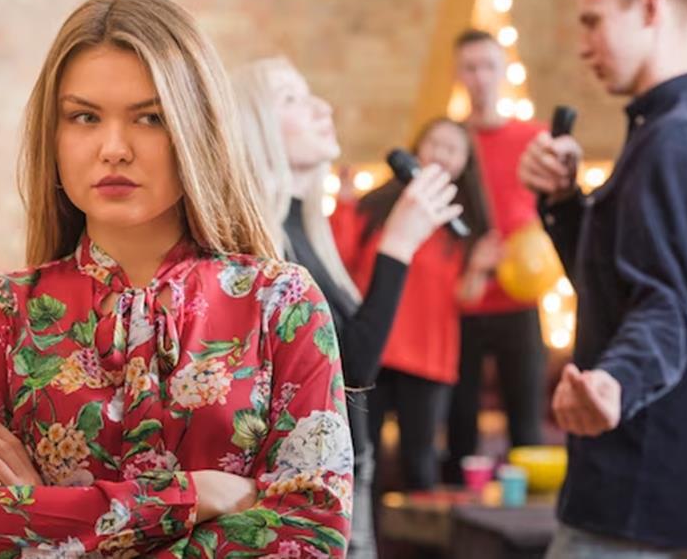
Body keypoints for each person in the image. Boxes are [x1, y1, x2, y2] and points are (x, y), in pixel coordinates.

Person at [0, 0, 353, 558]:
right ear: (53, 135)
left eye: (149, 118)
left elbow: (311, 535)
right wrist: (195, 497)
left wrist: (51, 511)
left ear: (196, 129)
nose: (114, 149)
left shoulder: (281, 302)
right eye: (84, 117)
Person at [518, 0, 687, 557]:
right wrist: (566, 203)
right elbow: (625, 288)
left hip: (638, 506)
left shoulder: (678, 138)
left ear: (651, 6)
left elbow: (664, 307)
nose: (583, 45)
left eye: (593, 20)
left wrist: (615, 381)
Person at [233, 58, 462, 559]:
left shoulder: (308, 232)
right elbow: (353, 368)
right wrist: (398, 243)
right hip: (300, 493)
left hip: (348, 472)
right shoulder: (261, 245)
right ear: (252, 127)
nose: (322, 108)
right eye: (291, 99)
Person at [333, 117, 501, 493]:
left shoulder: (465, 224)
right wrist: (344, 205)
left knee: (420, 462)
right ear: (417, 149)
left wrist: (478, 269)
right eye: (434, 143)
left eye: (452, 149)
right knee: (362, 458)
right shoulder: (377, 207)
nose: (441, 154)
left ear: (465, 163)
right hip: (373, 351)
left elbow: (466, 298)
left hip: (429, 356)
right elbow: (341, 261)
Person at [443, 29, 548, 485]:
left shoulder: (534, 137)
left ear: (503, 71)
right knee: (459, 426)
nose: (480, 77)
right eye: (470, 68)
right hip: (462, 300)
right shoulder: (450, 142)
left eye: (488, 66)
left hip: (520, 298)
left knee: (527, 425)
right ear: (458, 75)